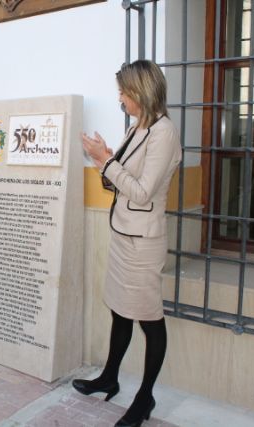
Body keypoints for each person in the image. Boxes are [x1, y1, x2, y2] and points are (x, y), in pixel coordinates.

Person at [73, 60, 182, 427]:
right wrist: (105, 156)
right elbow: (117, 181)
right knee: (120, 310)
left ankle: (145, 397)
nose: (119, 98)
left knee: (150, 319)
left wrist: (105, 161)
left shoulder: (163, 133)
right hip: (123, 235)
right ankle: (109, 377)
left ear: (140, 92)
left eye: (123, 92)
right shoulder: (138, 128)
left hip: (143, 243)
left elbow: (141, 191)